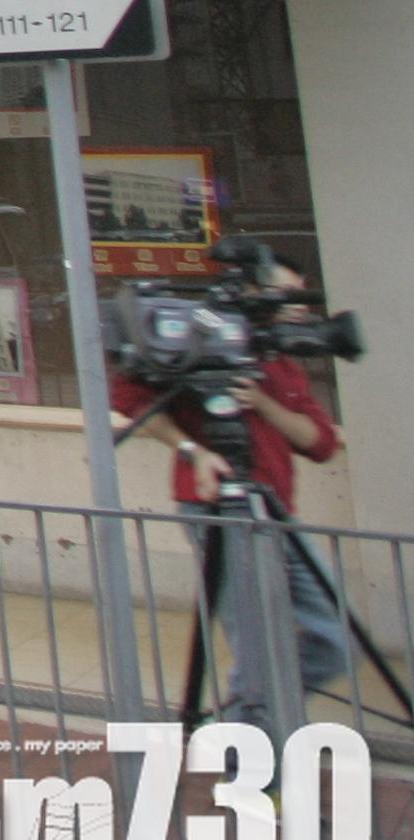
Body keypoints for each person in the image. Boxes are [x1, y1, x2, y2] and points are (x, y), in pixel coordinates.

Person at [112, 239, 353, 729]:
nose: (295, 308)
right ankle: (253, 756)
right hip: (216, 509)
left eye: (298, 296)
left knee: (336, 637)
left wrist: (263, 403)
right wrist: (193, 451)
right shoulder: (198, 346)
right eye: (284, 295)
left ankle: (244, 721)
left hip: (276, 512)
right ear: (252, 293)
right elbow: (128, 398)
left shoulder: (280, 362)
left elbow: (322, 443)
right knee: (257, 648)